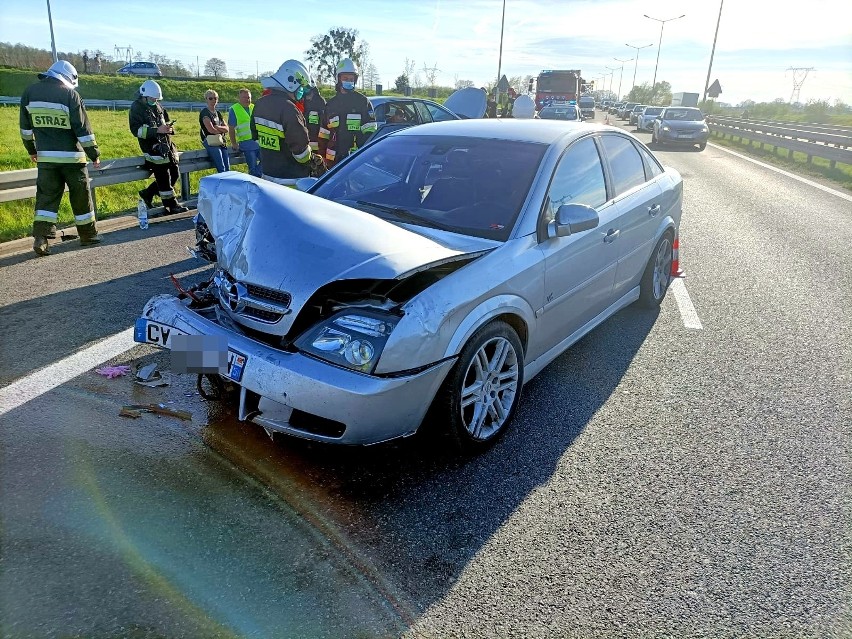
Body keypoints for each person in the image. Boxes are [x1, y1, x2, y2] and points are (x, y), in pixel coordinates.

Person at [19, 60, 101, 256]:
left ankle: (41, 239)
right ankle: (88, 235)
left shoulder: (29, 93)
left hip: (46, 159)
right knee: (80, 197)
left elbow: (25, 129)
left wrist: (32, 150)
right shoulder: (70, 95)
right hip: (72, 159)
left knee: (46, 198)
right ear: (67, 78)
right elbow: (83, 130)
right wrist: (94, 154)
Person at [250, 59, 324, 185]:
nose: (302, 93)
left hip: (267, 174)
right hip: (292, 179)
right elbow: (301, 152)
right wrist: (313, 159)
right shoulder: (290, 109)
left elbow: (256, 137)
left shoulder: (260, 104)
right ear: (291, 83)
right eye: (301, 88)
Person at [129, 79, 188, 215]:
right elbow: (136, 130)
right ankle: (171, 205)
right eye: (152, 98)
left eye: (156, 99)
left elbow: (165, 121)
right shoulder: (136, 108)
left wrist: (169, 128)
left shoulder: (158, 106)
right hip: (152, 149)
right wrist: (156, 130)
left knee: (174, 174)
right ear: (144, 95)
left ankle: (148, 193)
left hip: (166, 147)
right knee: (163, 178)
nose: (154, 101)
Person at [317, 58, 376, 168]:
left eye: (351, 78)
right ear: (338, 79)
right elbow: (323, 134)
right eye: (345, 78)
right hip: (332, 162)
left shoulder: (362, 102)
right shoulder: (331, 105)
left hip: (354, 161)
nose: (349, 81)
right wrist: (321, 158)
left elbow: (370, 135)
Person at [227, 88, 261, 177]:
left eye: (249, 97)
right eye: (244, 97)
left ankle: (256, 179)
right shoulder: (234, 109)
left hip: (259, 142)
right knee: (253, 168)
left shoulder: (254, 107)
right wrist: (234, 143)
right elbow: (231, 128)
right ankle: (254, 182)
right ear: (239, 98)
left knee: (268, 162)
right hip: (246, 143)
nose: (247, 99)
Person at [200, 89, 230, 173]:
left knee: (227, 168)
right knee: (221, 168)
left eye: (215, 98)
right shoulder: (204, 113)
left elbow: (227, 129)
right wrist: (220, 129)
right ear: (206, 99)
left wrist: (217, 127)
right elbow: (211, 130)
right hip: (210, 141)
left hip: (220, 140)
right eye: (210, 98)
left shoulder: (218, 113)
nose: (213, 100)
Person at [302, 85, 327, 155]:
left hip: (316, 144)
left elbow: (324, 124)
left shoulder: (320, 102)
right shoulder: (300, 100)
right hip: (302, 143)